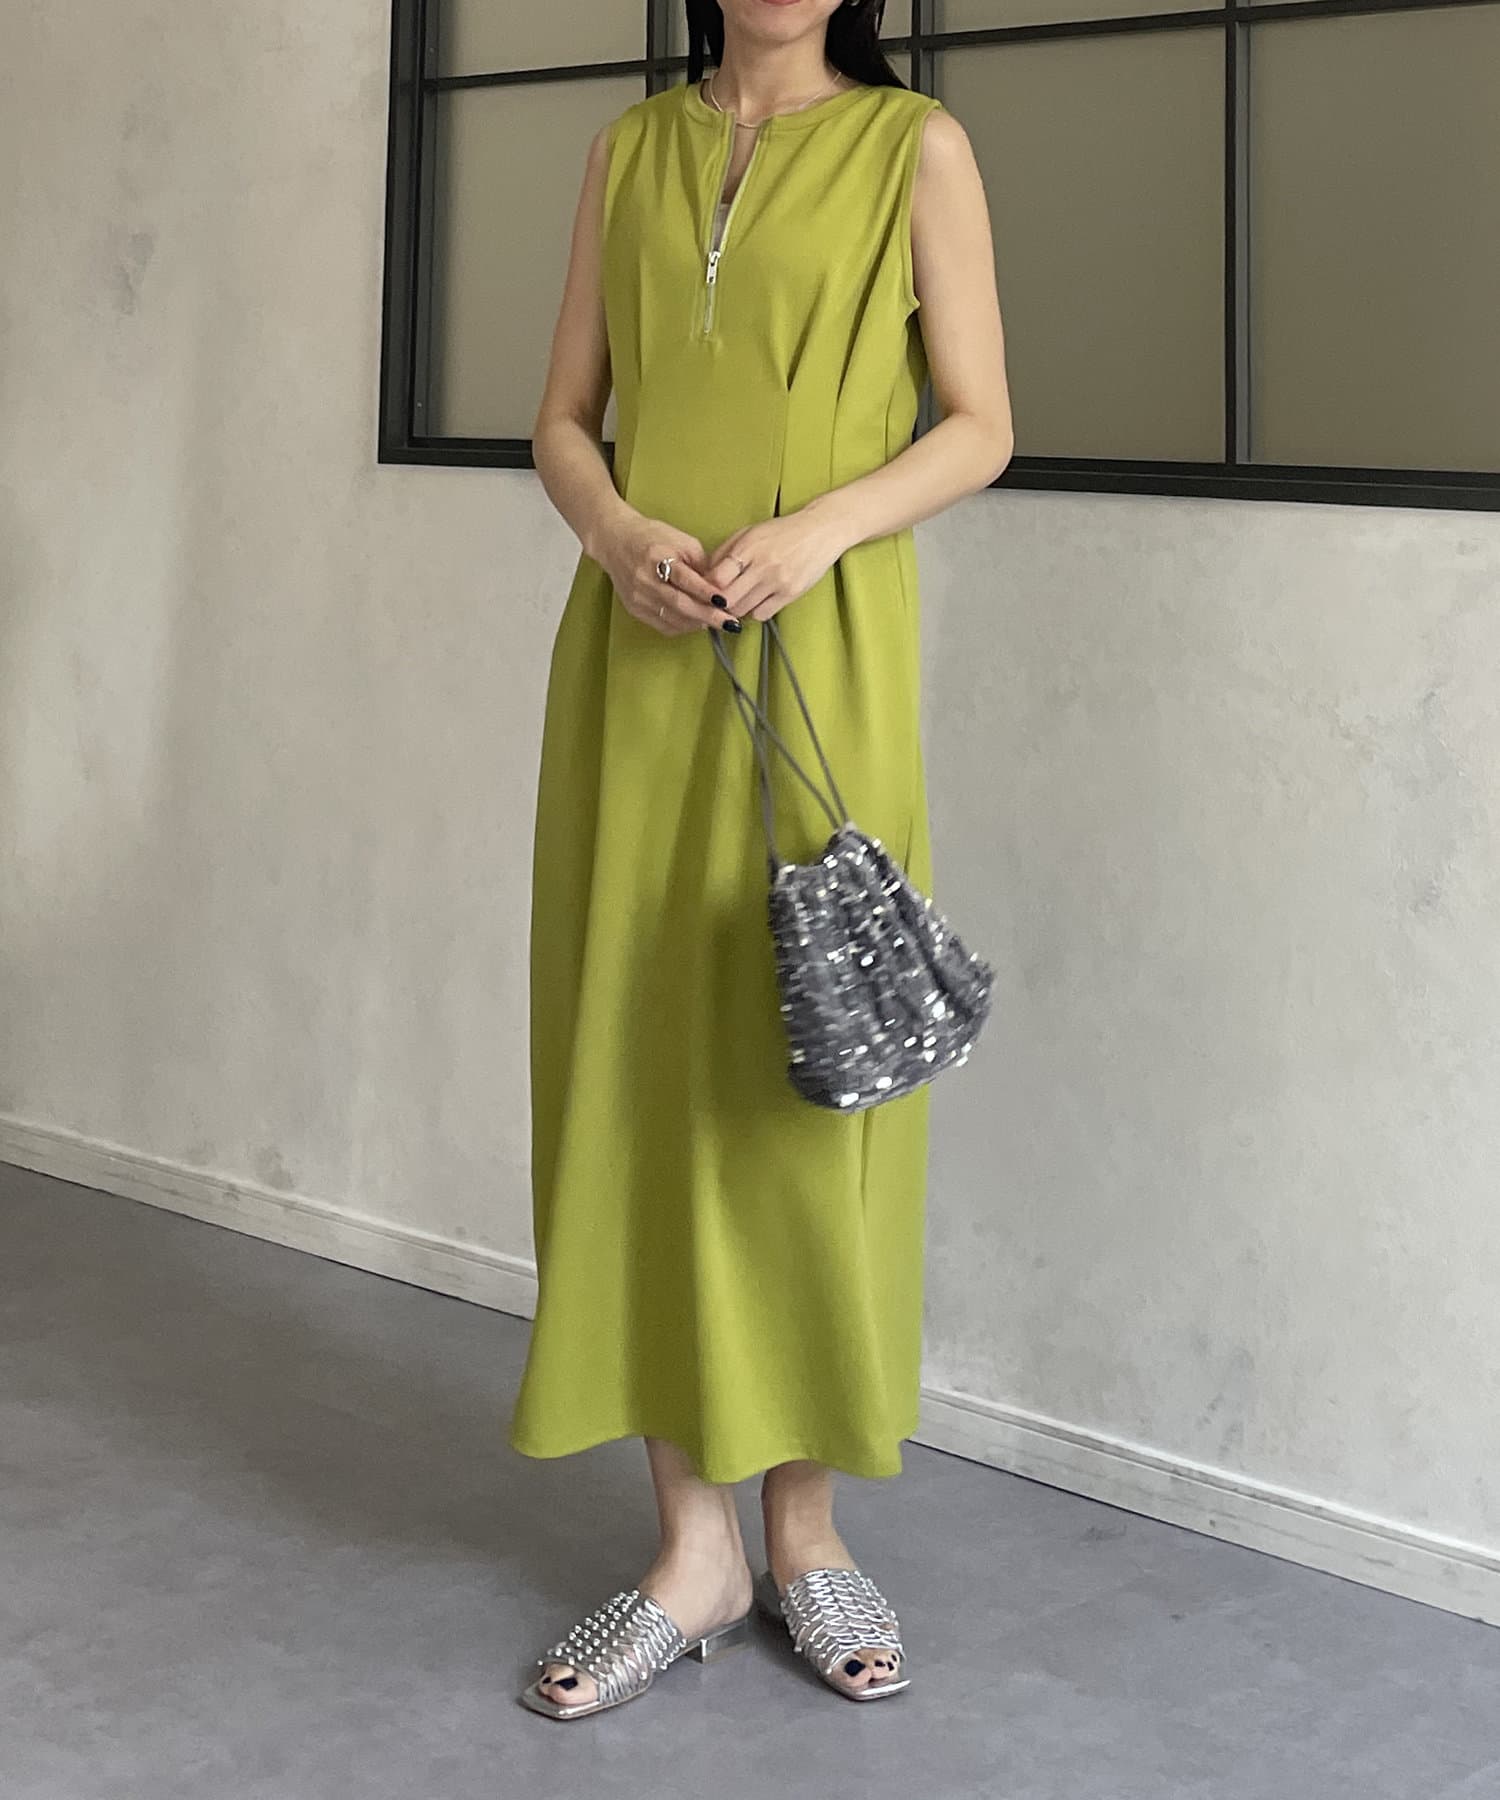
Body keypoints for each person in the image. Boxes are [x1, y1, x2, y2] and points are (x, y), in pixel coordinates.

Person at [509, 0, 1013, 1719]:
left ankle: (804, 1531)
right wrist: (617, 531)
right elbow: (563, 419)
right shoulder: (628, 151)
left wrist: (822, 527)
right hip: (641, 661)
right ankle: (691, 1549)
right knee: (643, 1065)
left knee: (807, 1064)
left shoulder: (913, 146)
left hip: (827, 652)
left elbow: (981, 422)